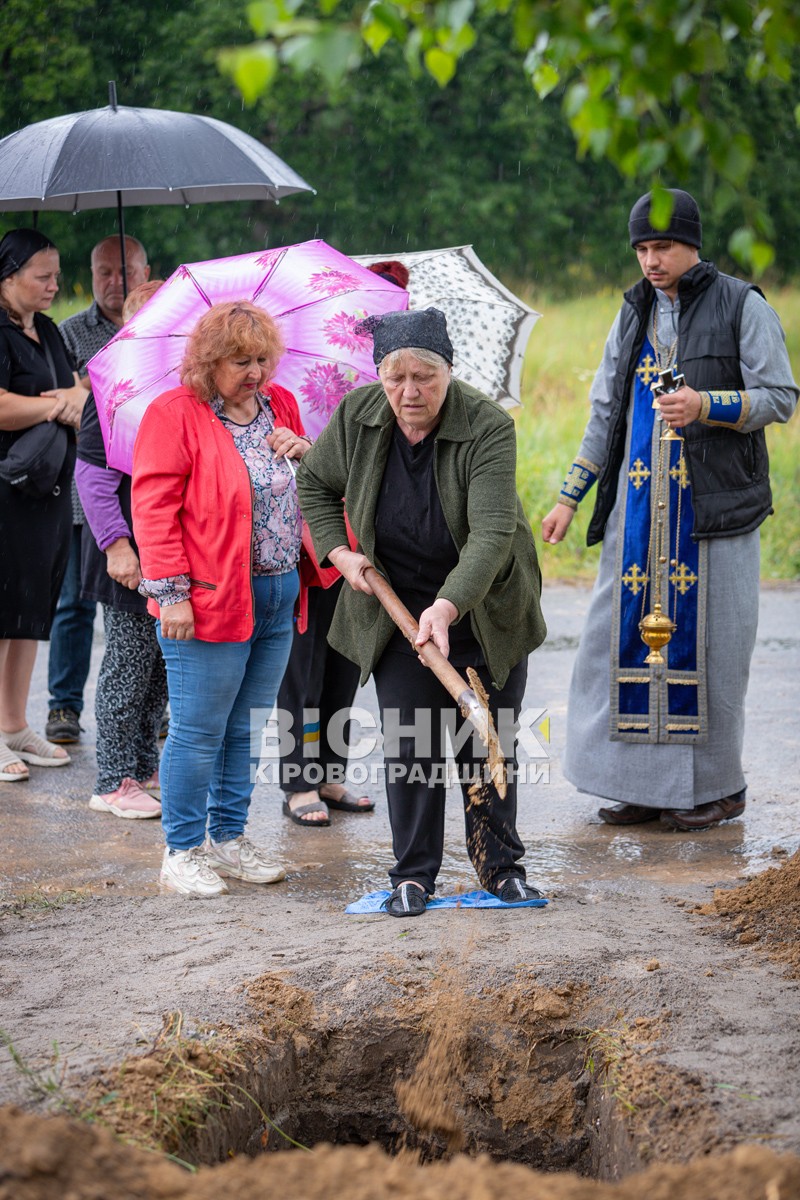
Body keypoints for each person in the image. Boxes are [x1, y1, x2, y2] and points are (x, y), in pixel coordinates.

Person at [542, 189, 798, 832]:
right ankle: (640, 786)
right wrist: (570, 498)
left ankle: (721, 789)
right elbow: (605, 410)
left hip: (713, 513)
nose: (651, 261)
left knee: (712, 653)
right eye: (642, 249)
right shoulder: (630, 314)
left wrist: (706, 405)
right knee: (620, 649)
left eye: (663, 247)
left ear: (693, 245)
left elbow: (780, 397)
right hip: (637, 515)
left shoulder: (744, 304)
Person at [296, 307, 547, 916]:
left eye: (425, 377)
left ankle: (500, 868)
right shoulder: (359, 416)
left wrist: (448, 605)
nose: (410, 392)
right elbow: (315, 484)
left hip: (484, 603)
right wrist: (340, 553)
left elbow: (490, 534)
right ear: (379, 375)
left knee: (486, 736)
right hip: (397, 610)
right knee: (412, 743)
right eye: (395, 376)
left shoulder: (486, 426)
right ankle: (413, 875)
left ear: (448, 371)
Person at [132, 300, 312, 896]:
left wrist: (303, 448)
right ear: (210, 360)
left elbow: (310, 485)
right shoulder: (175, 414)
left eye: (263, 359)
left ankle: (229, 838)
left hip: (279, 589)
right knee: (197, 730)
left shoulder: (280, 406)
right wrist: (172, 594)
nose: (255, 372)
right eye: (241, 361)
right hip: (207, 598)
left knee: (246, 727)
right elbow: (153, 510)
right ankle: (181, 850)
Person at [277, 259, 410, 827]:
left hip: (363, 542)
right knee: (298, 669)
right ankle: (296, 780)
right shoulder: (292, 378)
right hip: (308, 538)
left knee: (343, 661)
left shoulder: (391, 382)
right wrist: (309, 453)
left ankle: (330, 773)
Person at [47, 235, 151, 744]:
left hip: (140, 502)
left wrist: (84, 390)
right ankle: (64, 707)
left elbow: (76, 397)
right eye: (105, 272)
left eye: (126, 271)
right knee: (73, 606)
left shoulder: (161, 327)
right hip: (79, 492)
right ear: (90, 276)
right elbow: (63, 405)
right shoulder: (70, 333)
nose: (116, 282)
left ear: (145, 270)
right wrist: (98, 390)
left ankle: (151, 721)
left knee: (139, 628)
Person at [75, 280, 166, 819]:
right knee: (127, 669)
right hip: (126, 552)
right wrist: (116, 545)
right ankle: (111, 780)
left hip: (165, 550)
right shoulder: (112, 384)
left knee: (157, 668)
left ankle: (140, 765)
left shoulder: (176, 385)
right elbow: (90, 475)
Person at [0, 229, 88, 781]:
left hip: (48, 489)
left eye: (57, 275)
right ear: (7, 277)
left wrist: (71, 394)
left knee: (30, 612)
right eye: (42, 276)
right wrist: (57, 403)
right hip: (4, 488)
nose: (54, 285)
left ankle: (14, 725)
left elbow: (75, 386)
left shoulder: (51, 330)